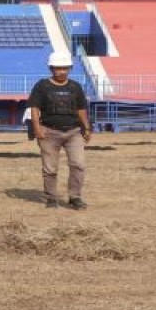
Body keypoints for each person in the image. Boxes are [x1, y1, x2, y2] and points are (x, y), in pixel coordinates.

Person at [27, 51, 92, 209]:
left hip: (73, 132)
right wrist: (37, 128)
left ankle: (75, 197)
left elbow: (81, 108)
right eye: (58, 68)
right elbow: (34, 108)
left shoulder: (75, 87)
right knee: (50, 168)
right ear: (51, 69)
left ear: (69, 68)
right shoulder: (42, 86)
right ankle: (51, 198)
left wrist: (87, 127)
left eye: (65, 68)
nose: (61, 71)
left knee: (78, 164)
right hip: (49, 131)